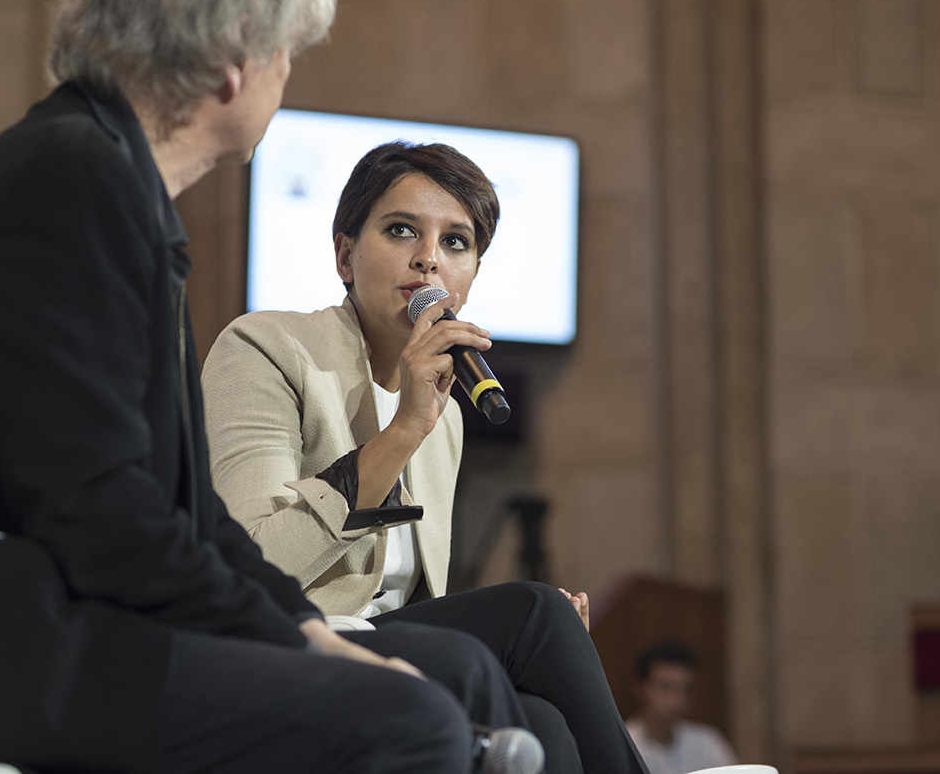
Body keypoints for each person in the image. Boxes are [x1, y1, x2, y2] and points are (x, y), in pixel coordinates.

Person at [0, 0, 533, 774]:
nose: (285, 76)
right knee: (409, 721)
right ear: (233, 59)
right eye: (287, 53)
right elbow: (102, 508)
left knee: (441, 675)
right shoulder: (70, 181)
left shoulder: (105, 184)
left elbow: (183, 522)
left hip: (47, 616)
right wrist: (301, 644)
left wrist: (305, 629)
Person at [202, 141, 648, 774]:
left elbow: (406, 605)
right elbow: (249, 565)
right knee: (534, 615)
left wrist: (533, 634)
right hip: (281, 641)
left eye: (457, 243)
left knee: (543, 718)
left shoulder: (448, 418)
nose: (428, 260)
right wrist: (403, 429)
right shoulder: (266, 348)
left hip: (384, 649)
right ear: (345, 255)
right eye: (402, 230)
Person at [624, 642, 736, 774]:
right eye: (666, 688)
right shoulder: (622, 747)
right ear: (640, 687)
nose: (677, 700)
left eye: (686, 690)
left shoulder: (708, 743)